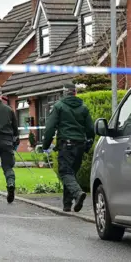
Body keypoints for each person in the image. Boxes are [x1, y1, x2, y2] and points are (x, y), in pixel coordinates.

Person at [42, 82, 94, 213]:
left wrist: (46, 145)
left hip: (66, 144)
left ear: (64, 93)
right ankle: (67, 205)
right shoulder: (83, 107)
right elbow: (90, 129)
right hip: (80, 145)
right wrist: (88, 144)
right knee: (71, 174)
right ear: (75, 93)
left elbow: (49, 128)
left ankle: (77, 194)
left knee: (65, 172)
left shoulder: (59, 106)